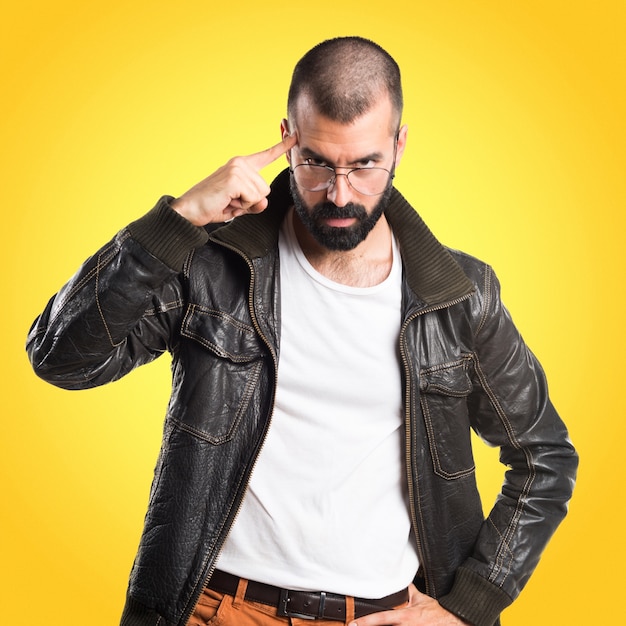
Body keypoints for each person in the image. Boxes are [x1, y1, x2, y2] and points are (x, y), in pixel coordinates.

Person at [27, 37, 577, 626]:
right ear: (287, 138)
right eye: (317, 162)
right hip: (219, 609)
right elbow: (62, 358)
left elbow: (543, 458)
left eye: (365, 164)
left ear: (399, 144)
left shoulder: (460, 296)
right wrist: (177, 221)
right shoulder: (211, 265)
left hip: (383, 614)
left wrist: (469, 607)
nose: (341, 194)